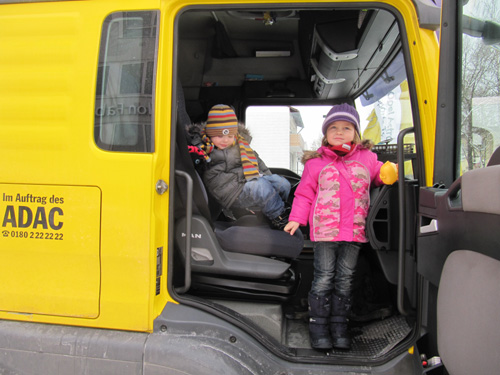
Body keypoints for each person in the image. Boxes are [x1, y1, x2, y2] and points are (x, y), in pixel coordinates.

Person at [284, 103, 397, 350]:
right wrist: (296, 218)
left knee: (345, 279)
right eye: (333, 127)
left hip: (354, 232)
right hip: (325, 232)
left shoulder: (367, 158)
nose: (339, 132)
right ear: (325, 133)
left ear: (355, 132)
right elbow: (304, 194)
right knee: (324, 278)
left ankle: (339, 326)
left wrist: (391, 172)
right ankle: (318, 327)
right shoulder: (315, 163)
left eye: (346, 127)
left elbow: (380, 175)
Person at [189, 104, 291, 229]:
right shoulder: (205, 149)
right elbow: (198, 164)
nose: (225, 140)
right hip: (230, 193)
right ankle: (280, 219)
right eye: (220, 136)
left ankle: (271, 214)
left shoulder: (242, 145)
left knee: (282, 183)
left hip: (246, 184)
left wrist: (269, 183)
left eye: (230, 136)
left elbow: (260, 165)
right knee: (259, 186)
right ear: (210, 134)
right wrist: (197, 156)